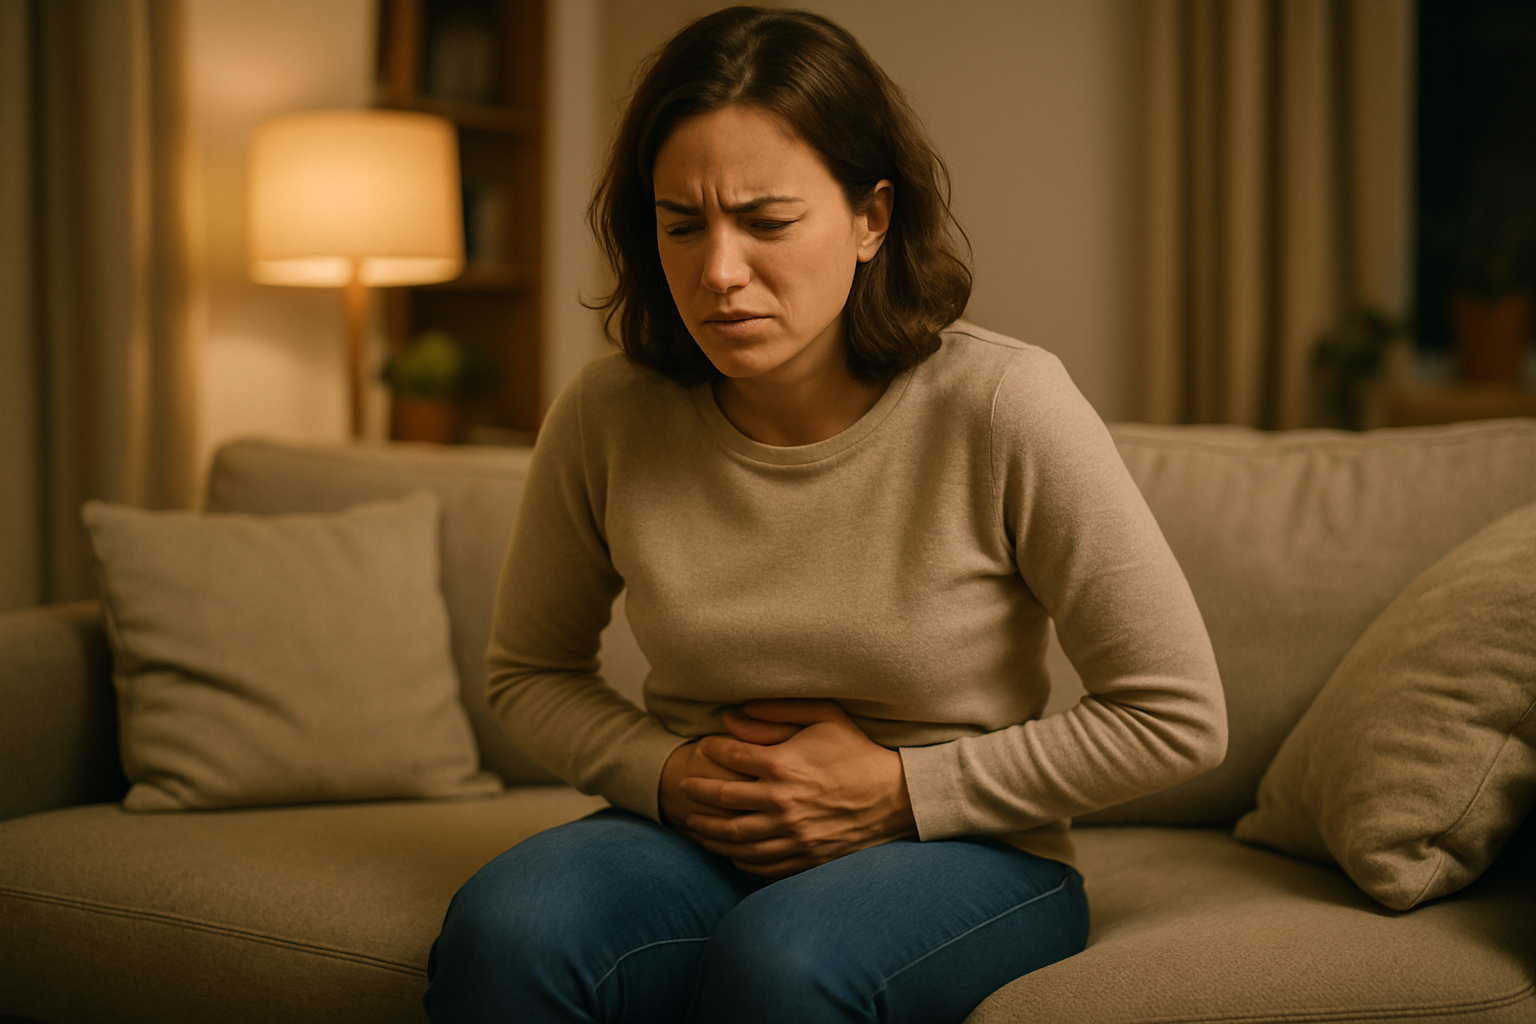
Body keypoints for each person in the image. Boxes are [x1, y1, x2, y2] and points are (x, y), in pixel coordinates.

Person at [423, 7, 1226, 1023]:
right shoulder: (607, 412)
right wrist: (666, 775)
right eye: (681, 224)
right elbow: (528, 670)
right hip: (695, 835)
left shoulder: (1005, 403)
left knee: (787, 959)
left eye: (765, 221)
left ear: (870, 218)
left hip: (968, 852)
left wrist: (901, 790)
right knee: (509, 927)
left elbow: (1178, 715)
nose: (717, 272)